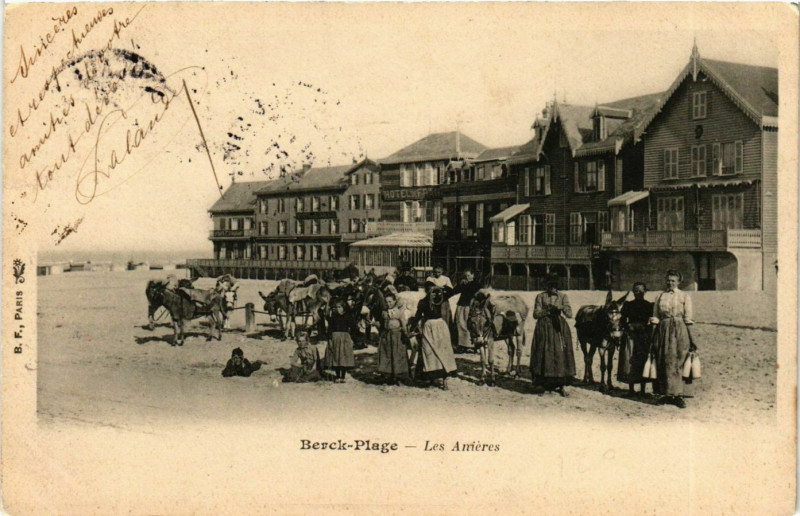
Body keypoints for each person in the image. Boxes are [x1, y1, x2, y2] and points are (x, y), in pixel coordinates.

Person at [649, 270, 695, 408]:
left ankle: (678, 395)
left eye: (673, 281)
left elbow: (688, 318)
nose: (670, 283)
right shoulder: (660, 296)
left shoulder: (684, 296)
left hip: (679, 329)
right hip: (663, 328)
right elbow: (655, 316)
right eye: (668, 280)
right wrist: (654, 334)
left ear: (679, 282)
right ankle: (665, 394)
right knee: (663, 359)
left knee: (679, 359)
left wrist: (691, 338)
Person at [530, 273, 575, 396]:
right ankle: (541, 383)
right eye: (550, 285)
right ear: (547, 286)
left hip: (558, 327)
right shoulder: (540, 296)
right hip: (544, 327)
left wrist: (561, 307)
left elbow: (570, 314)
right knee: (542, 352)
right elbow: (535, 314)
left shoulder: (563, 296)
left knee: (560, 353)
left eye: (555, 285)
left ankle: (560, 384)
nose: (552, 288)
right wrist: (546, 311)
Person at [413, 284, 458, 390]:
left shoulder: (440, 298)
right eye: (430, 291)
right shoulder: (423, 302)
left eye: (434, 291)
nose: (432, 294)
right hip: (429, 327)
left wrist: (442, 287)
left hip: (440, 327)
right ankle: (431, 379)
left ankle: (444, 378)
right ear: (426, 291)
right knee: (429, 353)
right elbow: (418, 315)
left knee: (443, 351)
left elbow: (452, 292)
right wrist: (412, 326)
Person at [618, 282, 655, 396]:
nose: (638, 293)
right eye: (636, 290)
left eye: (641, 290)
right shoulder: (628, 305)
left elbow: (652, 321)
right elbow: (622, 320)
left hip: (643, 337)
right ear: (633, 292)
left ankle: (643, 390)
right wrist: (628, 326)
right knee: (629, 361)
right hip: (631, 337)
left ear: (645, 291)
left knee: (643, 360)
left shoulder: (649, 305)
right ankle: (631, 389)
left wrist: (645, 327)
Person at [377, 292, 411, 385]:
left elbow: (403, 324)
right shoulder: (384, 312)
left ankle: (399, 377)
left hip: (397, 336)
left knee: (397, 355)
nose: (388, 304)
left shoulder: (399, 312)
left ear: (395, 301)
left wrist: (405, 334)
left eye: (390, 301)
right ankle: (389, 376)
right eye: (387, 302)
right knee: (388, 355)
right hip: (387, 336)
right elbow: (381, 324)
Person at [324, 299, 357, 383]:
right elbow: (329, 330)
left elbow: (354, 328)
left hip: (345, 339)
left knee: (343, 357)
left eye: (340, 307)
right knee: (336, 357)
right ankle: (337, 375)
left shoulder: (348, 317)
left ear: (344, 308)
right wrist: (329, 340)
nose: (338, 309)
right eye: (337, 307)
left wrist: (352, 338)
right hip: (335, 338)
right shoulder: (333, 318)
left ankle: (343, 376)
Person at [451, 270, 482, 353]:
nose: (467, 277)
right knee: (460, 325)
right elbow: (454, 291)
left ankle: (471, 345)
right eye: (465, 276)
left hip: (470, 307)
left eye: (468, 275)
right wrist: (460, 284)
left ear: (473, 275)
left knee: (469, 325)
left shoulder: (476, 284)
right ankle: (462, 345)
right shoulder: (463, 284)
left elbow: (473, 291)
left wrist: (466, 284)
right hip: (461, 305)